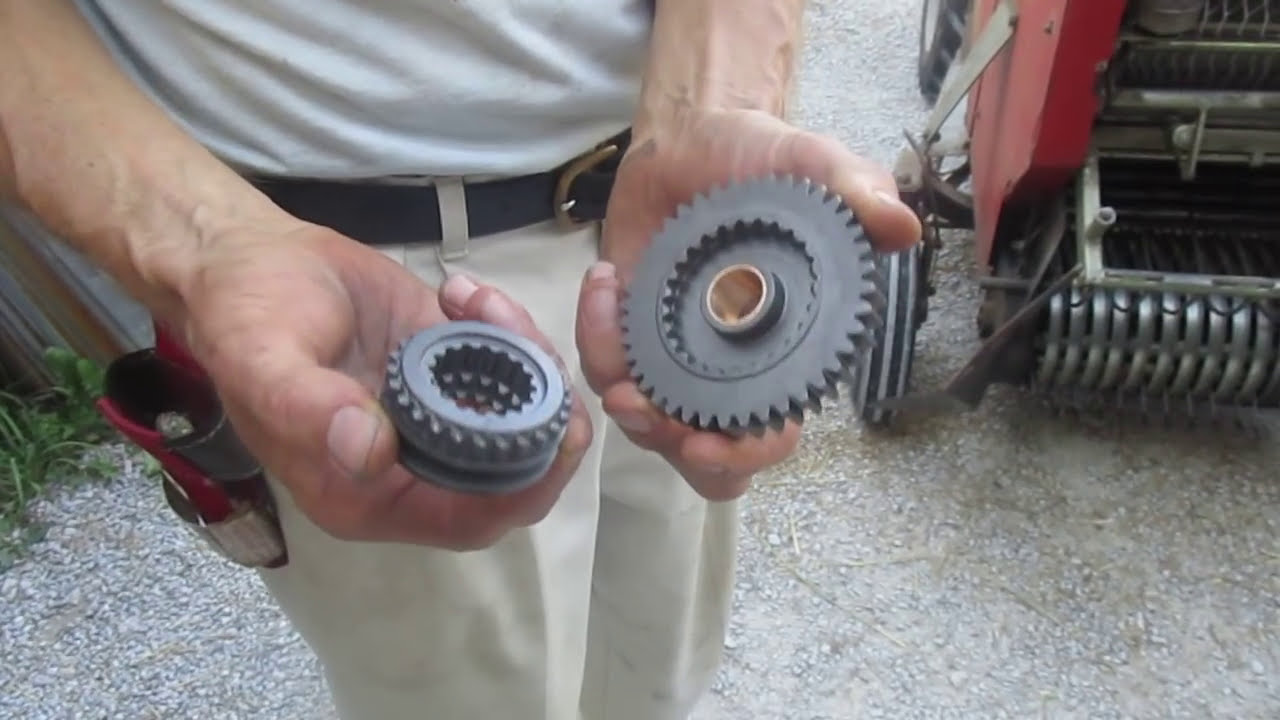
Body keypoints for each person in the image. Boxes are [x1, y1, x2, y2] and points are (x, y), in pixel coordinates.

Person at [0, 1, 920, 718]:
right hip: (338, 283)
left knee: (656, 674)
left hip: (664, 215)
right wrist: (207, 247)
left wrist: (718, 102)